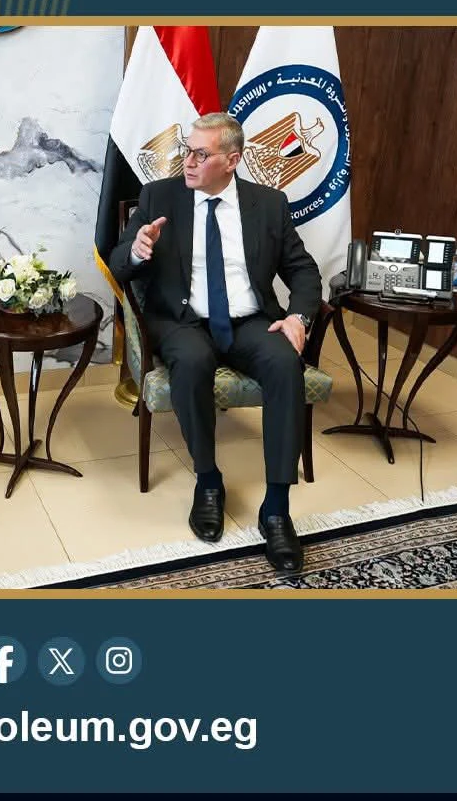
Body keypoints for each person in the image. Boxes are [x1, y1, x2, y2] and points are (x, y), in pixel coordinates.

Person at [110, 113, 321, 573]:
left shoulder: (269, 204)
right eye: (187, 150)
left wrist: (298, 317)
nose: (188, 162)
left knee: (285, 363)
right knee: (191, 361)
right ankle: (208, 480)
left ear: (232, 160)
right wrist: (137, 250)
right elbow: (118, 261)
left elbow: (303, 270)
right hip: (182, 320)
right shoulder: (159, 196)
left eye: (200, 154)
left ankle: (277, 508)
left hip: (250, 320)